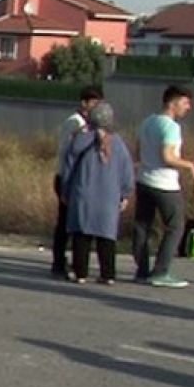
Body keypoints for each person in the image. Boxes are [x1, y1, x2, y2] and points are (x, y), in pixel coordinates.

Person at [132, 85, 194, 288]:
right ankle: (161, 271)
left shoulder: (147, 122)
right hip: (164, 184)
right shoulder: (171, 127)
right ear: (173, 102)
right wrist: (190, 166)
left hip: (144, 179)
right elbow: (168, 157)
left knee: (143, 225)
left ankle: (142, 270)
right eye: (185, 102)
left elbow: (138, 151)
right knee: (175, 226)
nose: (188, 107)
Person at [61, 103, 134, 285]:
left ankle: (81, 273)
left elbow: (68, 166)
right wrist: (125, 193)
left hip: (83, 192)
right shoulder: (118, 143)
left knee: (81, 234)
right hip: (109, 196)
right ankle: (108, 274)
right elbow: (127, 171)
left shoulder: (79, 140)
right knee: (106, 236)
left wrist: (65, 189)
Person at [51, 86, 103, 278]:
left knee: (75, 221)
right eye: (94, 104)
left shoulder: (90, 125)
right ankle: (59, 261)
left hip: (78, 178)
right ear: (84, 103)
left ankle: (71, 260)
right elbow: (68, 152)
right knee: (65, 222)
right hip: (67, 177)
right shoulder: (74, 123)